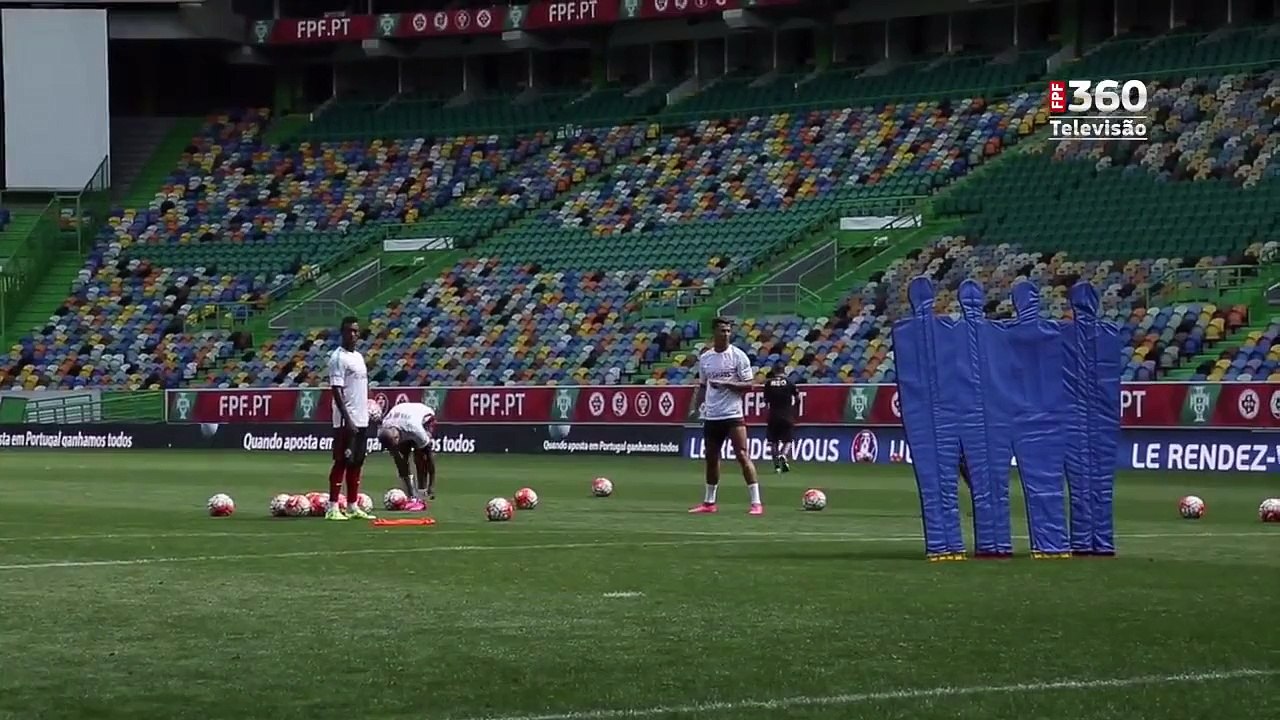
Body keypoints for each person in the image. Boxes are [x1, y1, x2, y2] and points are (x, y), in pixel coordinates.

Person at [689, 316, 763, 515]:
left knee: (742, 454)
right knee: (711, 458)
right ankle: (709, 502)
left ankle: (756, 502)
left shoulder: (738, 356)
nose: (726, 334)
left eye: (729, 331)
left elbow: (749, 385)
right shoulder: (706, 358)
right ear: (714, 332)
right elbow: (703, 386)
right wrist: (696, 407)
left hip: (732, 414)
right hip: (712, 415)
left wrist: (728, 384)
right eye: (722, 331)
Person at [326, 315, 376, 521]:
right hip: (347, 420)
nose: (353, 334)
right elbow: (336, 391)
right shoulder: (338, 358)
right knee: (342, 461)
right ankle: (332, 507)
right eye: (349, 331)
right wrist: (348, 419)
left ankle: (353, 505)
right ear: (342, 333)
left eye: (355, 331)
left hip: (362, 418)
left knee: (357, 462)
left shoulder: (359, 357)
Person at [376, 401, 438, 511]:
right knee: (400, 458)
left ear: (396, 439)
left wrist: (431, 485)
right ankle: (413, 497)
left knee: (420, 457)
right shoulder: (384, 427)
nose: (392, 450)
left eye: (393, 446)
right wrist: (411, 494)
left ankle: (422, 494)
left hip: (424, 417)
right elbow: (399, 461)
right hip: (401, 416)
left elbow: (429, 456)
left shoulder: (415, 429)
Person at [762, 364, 799, 473]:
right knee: (788, 440)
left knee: (773, 442)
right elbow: (797, 398)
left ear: (774, 372)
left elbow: (765, 401)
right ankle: (783, 454)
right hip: (787, 415)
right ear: (784, 372)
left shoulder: (768, 384)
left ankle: (777, 467)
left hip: (773, 416)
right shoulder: (790, 383)